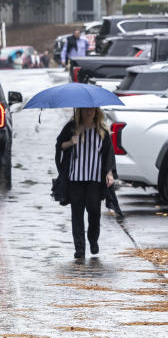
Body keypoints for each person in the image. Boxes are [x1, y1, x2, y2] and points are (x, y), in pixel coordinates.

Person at [55, 107, 116, 259]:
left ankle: (93, 239)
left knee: (94, 210)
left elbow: (109, 153)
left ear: (96, 112)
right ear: (80, 111)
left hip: (95, 178)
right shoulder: (71, 127)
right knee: (77, 213)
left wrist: (109, 173)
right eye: (85, 110)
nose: (89, 113)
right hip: (75, 178)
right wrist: (72, 141)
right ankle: (80, 248)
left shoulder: (102, 130)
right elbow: (60, 145)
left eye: (92, 110)